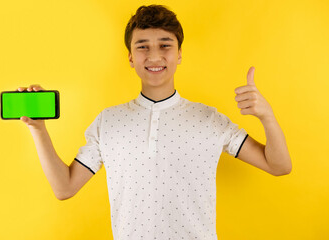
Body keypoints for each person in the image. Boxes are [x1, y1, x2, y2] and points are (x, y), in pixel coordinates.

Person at [18, 4, 292, 240]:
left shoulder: (210, 119)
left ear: (179, 54)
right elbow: (64, 188)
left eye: (165, 45)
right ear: (130, 57)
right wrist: (38, 129)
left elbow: (279, 166)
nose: (154, 56)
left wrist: (266, 116)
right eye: (142, 47)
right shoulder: (108, 122)